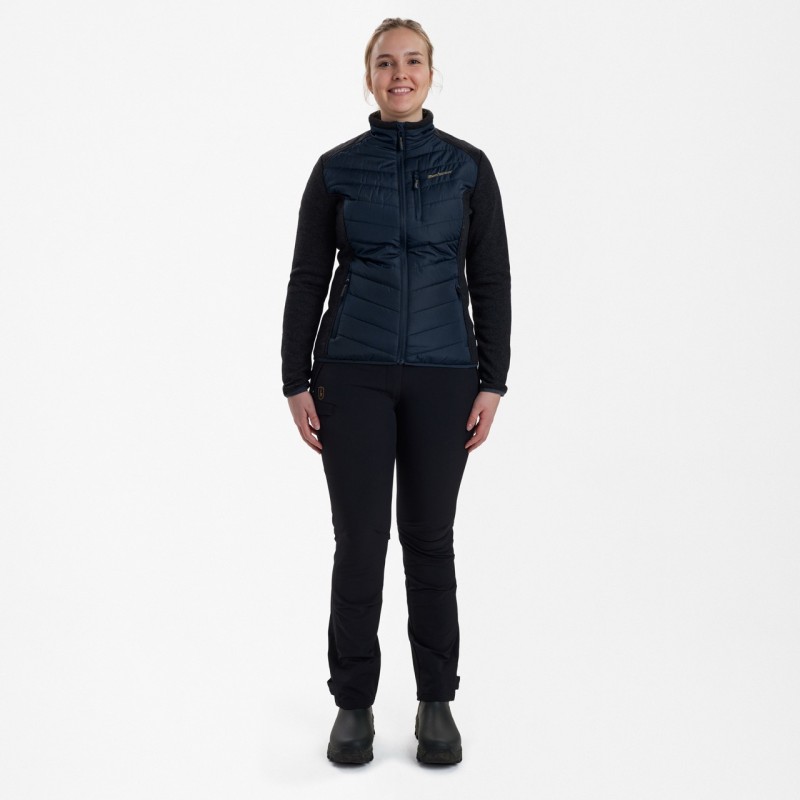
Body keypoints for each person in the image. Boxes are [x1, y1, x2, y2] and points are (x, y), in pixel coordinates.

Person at [280, 17, 511, 765]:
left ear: (431, 73)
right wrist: (294, 379)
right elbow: (308, 277)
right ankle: (353, 705)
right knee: (359, 542)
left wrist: (494, 379)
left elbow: (491, 277)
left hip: (446, 377)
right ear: (369, 77)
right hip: (351, 373)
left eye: (412, 61)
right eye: (385, 62)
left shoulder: (468, 168)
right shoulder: (336, 169)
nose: (399, 73)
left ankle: (436, 701)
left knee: (429, 540)